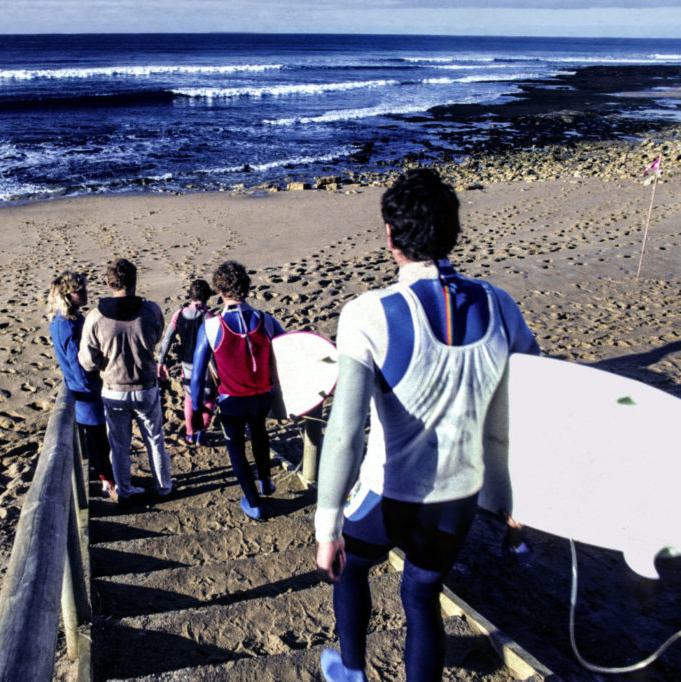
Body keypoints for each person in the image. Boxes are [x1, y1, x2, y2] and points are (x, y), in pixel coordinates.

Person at [315, 168, 540, 682]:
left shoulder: (369, 314)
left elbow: (345, 431)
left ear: (390, 236)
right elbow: (534, 402)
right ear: (452, 230)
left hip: (389, 495)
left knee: (349, 566)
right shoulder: (501, 305)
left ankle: (351, 670)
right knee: (421, 594)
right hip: (459, 499)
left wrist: (327, 528)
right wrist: (522, 494)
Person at [190, 260, 285, 521]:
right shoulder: (266, 320)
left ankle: (254, 503)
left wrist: (197, 412)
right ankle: (266, 482)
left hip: (232, 401)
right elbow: (290, 352)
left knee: (236, 449)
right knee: (259, 433)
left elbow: (197, 376)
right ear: (246, 286)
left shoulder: (211, 326)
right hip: (263, 397)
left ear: (218, 290)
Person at [78, 258, 173, 503]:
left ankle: (124, 488)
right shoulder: (150, 310)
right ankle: (163, 486)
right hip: (145, 386)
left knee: (119, 445)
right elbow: (156, 336)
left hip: (114, 389)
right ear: (134, 282)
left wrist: (105, 362)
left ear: (108, 283)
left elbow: (87, 360)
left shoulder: (96, 317)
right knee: (154, 439)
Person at [47, 271, 118, 501]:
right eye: (80, 291)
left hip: (82, 390)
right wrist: (95, 381)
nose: (85, 293)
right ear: (68, 295)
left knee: (96, 439)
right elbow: (76, 363)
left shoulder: (64, 320)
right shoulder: (67, 325)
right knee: (99, 441)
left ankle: (107, 479)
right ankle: (108, 483)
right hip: (86, 393)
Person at [157, 278, 217, 446]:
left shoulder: (179, 315)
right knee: (209, 400)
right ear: (207, 297)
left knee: (189, 400)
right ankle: (201, 435)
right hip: (206, 367)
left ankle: (190, 434)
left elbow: (167, 339)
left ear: (190, 295)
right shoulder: (209, 317)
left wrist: (161, 361)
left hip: (187, 365)